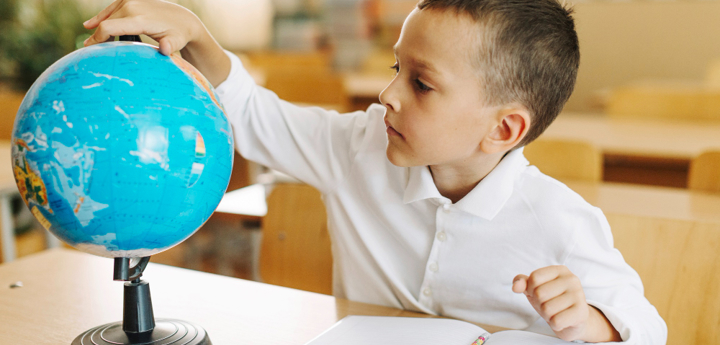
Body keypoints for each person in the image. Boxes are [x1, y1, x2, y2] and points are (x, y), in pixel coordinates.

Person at [83, 0, 667, 343]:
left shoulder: (562, 222)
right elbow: (259, 118)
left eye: (421, 83)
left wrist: (596, 323)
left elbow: (649, 330)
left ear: (504, 130)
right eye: (396, 68)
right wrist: (197, 35)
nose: (386, 95)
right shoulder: (361, 145)